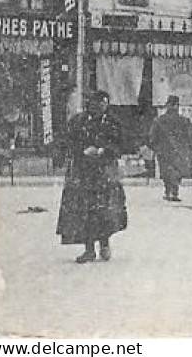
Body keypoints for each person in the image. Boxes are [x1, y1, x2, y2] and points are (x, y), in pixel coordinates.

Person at [56, 90, 128, 263]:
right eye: (98, 103)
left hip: (105, 173)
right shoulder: (78, 122)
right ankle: (88, 249)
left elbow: (121, 144)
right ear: (91, 104)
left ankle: (104, 243)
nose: (102, 106)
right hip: (83, 173)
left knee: (104, 211)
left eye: (105, 103)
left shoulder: (113, 122)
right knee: (84, 211)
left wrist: (104, 150)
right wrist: (82, 150)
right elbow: (69, 142)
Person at [147, 95, 192, 202]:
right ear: (177, 106)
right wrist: (187, 148)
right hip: (179, 151)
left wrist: (156, 148)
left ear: (167, 105)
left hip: (164, 151)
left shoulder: (159, 121)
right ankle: (174, 192)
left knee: (166, 171)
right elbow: (191, 138)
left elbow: (152, 138)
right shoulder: (184, 121)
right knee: (177, 171)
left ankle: (168, 191)